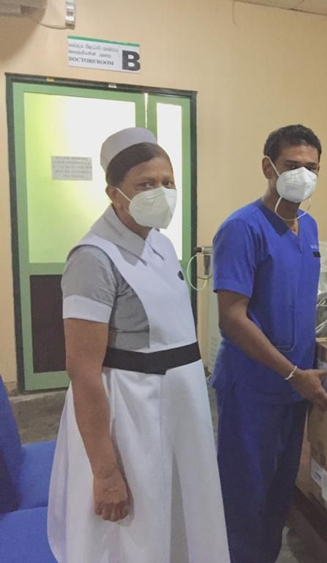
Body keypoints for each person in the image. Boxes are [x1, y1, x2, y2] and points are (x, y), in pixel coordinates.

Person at [47, 128, 230, 563]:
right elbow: (83, 372)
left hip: (180, 410)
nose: (160, 193)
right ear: (114, 193)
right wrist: (106, 472)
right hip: (132, 418)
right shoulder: (93, 258)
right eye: (145, 184)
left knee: (183, 514)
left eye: (167, 182)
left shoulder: (161, 244)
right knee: (137, 532)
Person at [212, 124, 327, 563]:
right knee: (244, 498)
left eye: (312, 168)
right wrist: (291, 373)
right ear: (268, 167)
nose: (303, 175)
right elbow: (232, 317)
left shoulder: (309, 227)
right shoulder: (242, 229)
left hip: (295, 388)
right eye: (292, 165)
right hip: (253, 388)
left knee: (280, 496)